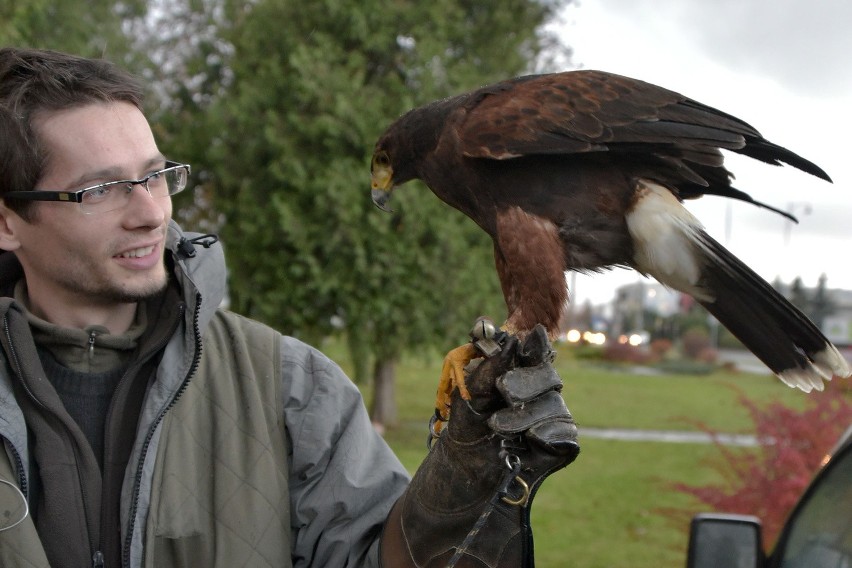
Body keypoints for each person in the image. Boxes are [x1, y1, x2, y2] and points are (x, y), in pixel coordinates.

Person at [0, 47, 578, 568]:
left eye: (155, 175)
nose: (152, 213)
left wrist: (463, 480)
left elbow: (378, 559)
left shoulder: (289, 385)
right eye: (100, 190)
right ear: (7, 220)